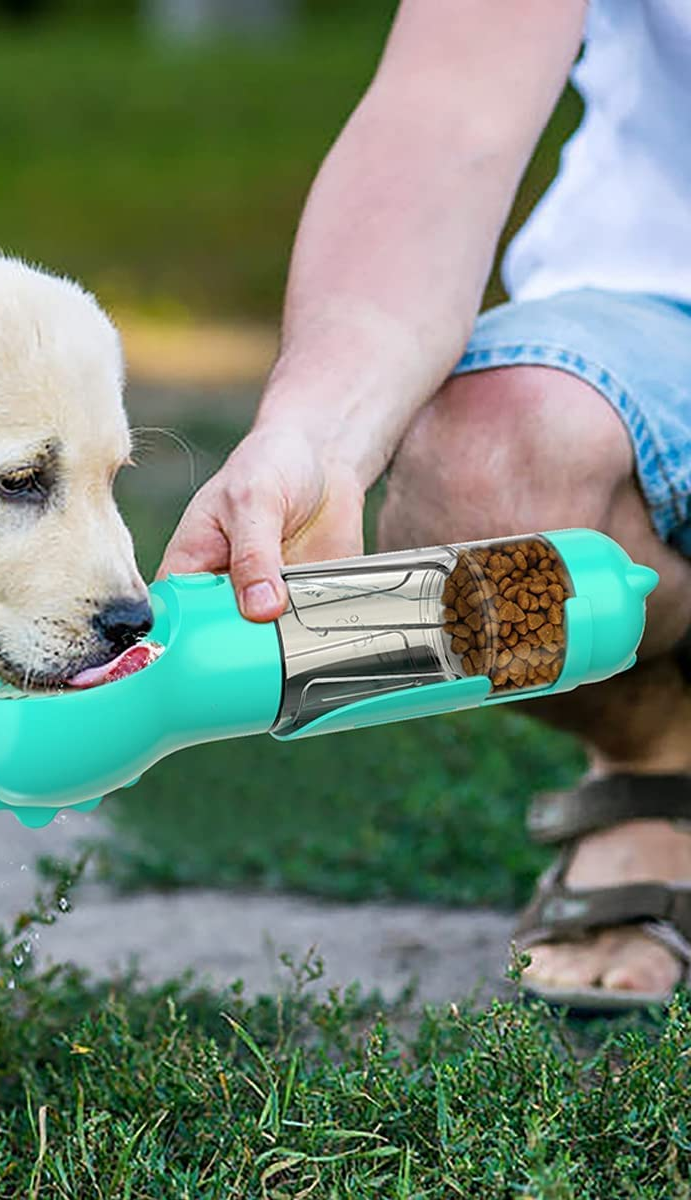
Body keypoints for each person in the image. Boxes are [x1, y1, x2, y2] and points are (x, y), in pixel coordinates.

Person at [159, 0, 691, 1009]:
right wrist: (317, 434)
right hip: (661, 297)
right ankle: (659, 763)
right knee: (489, 480)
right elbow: (443, 119)